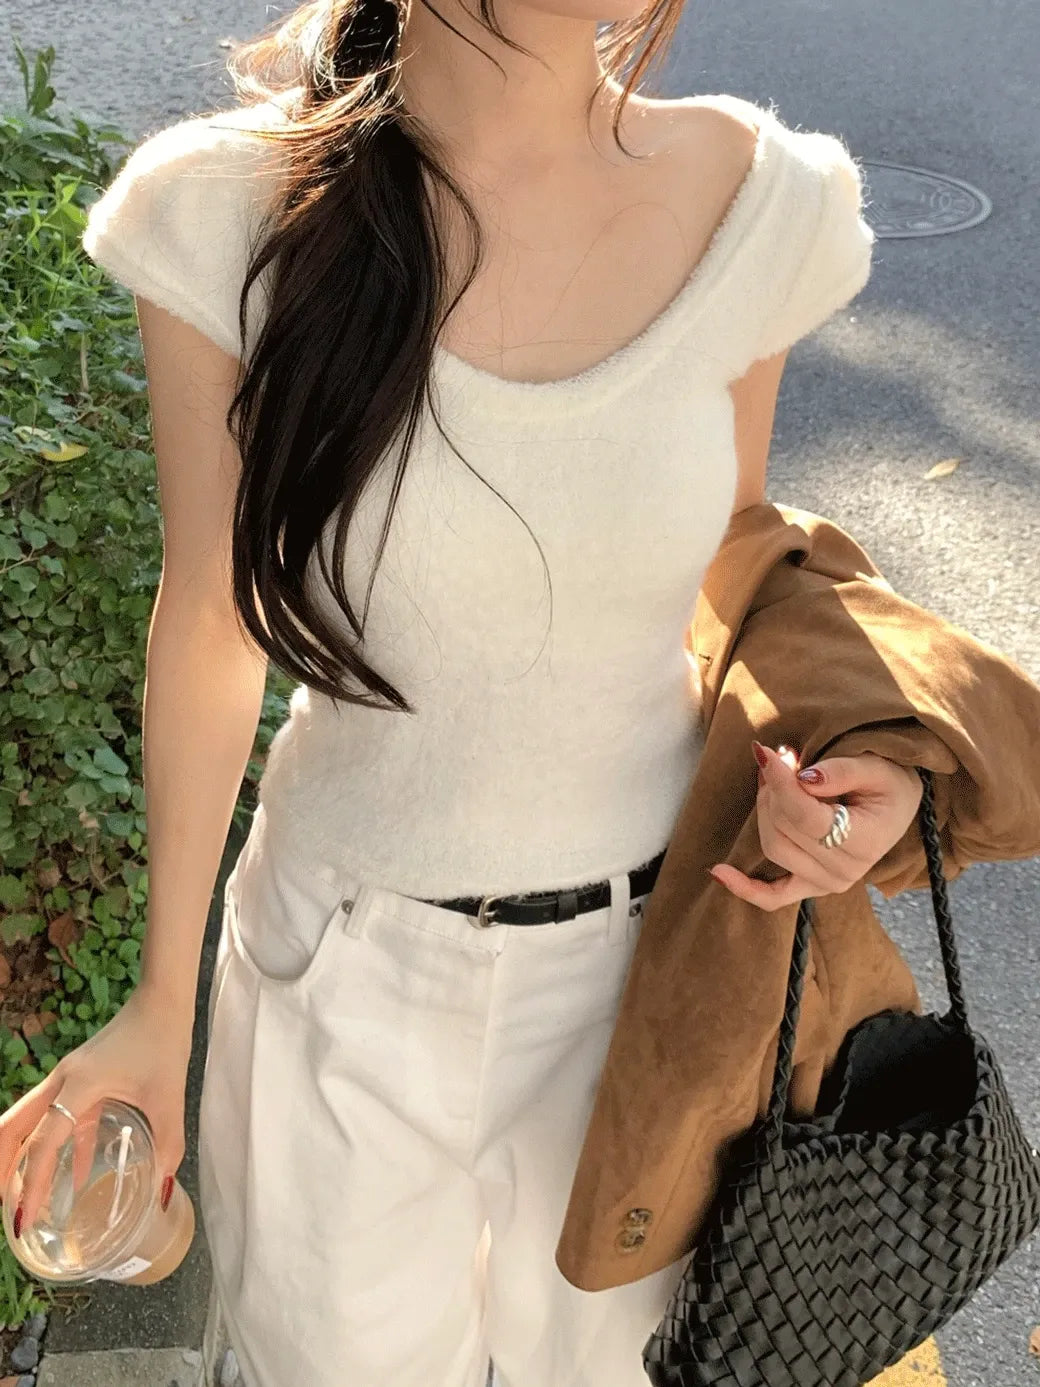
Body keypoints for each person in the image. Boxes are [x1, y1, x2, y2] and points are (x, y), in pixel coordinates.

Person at [0, 0, 928, 1383]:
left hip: (656, 979)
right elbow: (210, 619)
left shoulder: (754, 201)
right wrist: (159, 1002)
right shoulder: (225, 210)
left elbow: (740, 563)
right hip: (339, 968)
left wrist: (852, 767)